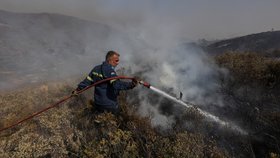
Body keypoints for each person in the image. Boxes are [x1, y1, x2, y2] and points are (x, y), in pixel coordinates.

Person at [72, 51, 138, 114]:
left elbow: (86, 82)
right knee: (121, 116)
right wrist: (131, 84)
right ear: (110, 60)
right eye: (116, 61)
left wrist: (77, 90)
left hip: (98, 104)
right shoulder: (110, 71)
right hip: (110, 105)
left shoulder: (96, 68)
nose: (118, 63)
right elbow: (117, 85)